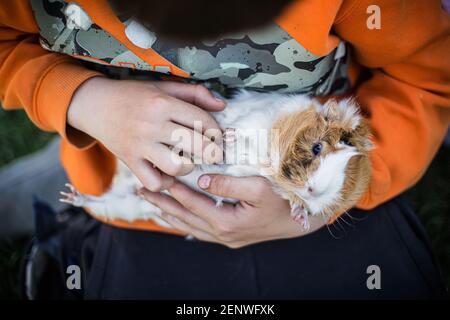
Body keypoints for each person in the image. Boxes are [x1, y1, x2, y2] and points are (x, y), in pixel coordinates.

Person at [0, 0, 448, 299]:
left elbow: (428, 78)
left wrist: (324, 205)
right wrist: (79, 100)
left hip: (312, 208)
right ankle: (54, 188)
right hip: (134, 193)